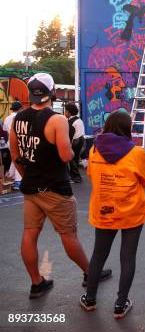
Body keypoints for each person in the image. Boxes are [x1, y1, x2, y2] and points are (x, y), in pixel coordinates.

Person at [9, 73, 111, 299]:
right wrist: (75, 150)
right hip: (55, 188)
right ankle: (90, 273)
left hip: (31, 188)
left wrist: (28, 175)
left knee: (29, 234)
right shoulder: (57, 120)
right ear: (51, 92)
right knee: (68, 235)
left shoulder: (18, 118)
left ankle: (37, 283)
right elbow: (66, 156)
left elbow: (15, 154)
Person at [79, 110, 145, 319]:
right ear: (128, 128)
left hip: (103, 210)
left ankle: (90, 299)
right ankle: (120, 304)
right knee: (127, 257)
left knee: (98, 255)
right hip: (131, 211)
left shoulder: (93, 151)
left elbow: (91, 175)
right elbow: (144, 180)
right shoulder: (137, 153)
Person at [4, 100, 23, 188]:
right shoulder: (20, 117)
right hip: (18, 141)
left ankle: (10, 176)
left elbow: (6, 133)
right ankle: (18, 181)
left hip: (10, 142)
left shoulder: (7, 118)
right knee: (19, 160)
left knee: (14, 159)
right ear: (19, 109)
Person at [64, 102, 85, 183]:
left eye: (65, 111)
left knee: (72, 160)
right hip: (81, 141)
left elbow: (70, 136)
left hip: (76, 142)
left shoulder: (71, 122)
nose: (64, 113)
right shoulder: (78, 119)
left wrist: (68, 146)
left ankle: (76, 178)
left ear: (69, 112)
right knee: (75, 160)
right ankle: (74, 177)